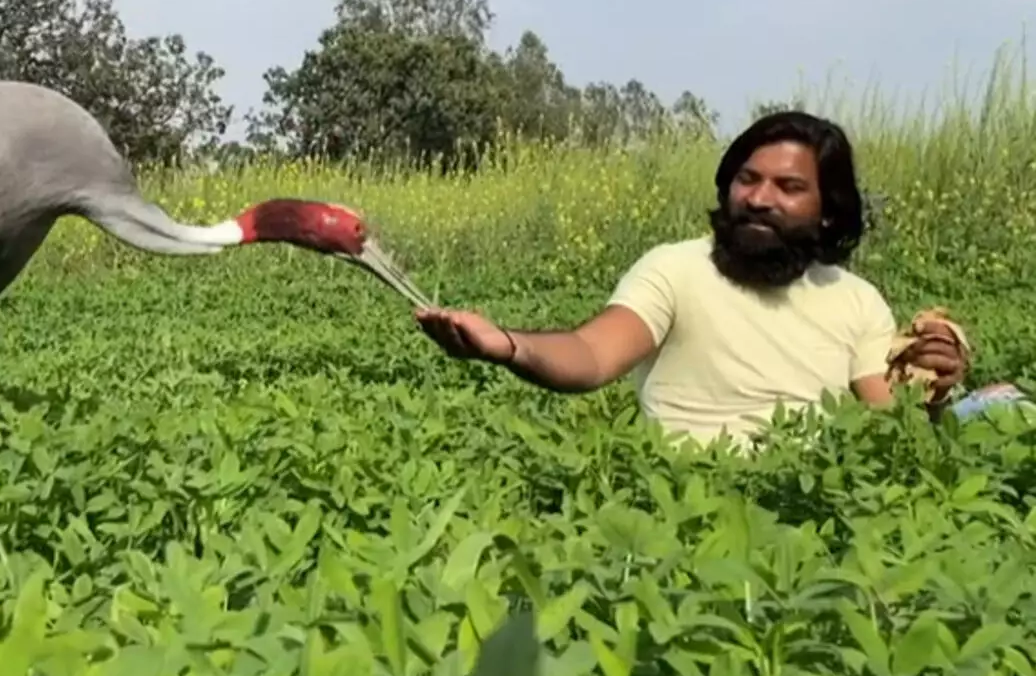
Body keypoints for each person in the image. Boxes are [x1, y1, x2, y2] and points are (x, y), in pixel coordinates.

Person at [415, 110, 973, 445]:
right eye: (747, 179)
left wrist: (933, 392)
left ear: (828, 210)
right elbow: (591, 352)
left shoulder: (856, 301)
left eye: (788, 187)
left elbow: (886, 415)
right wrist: (508, 346)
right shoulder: (676, 269)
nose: (758, 198)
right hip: (684, 500)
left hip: (805, 509)